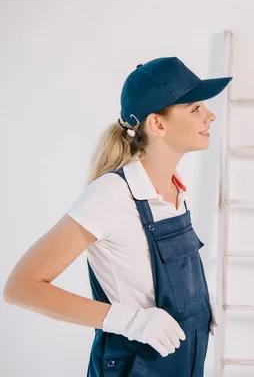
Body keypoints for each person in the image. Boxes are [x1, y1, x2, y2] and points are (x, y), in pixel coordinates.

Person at [4, 56, 232, 376]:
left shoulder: (174, 188)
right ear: (157, 124)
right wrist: (130, 321)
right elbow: (21, 287)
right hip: (134, 367)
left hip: (183, 361)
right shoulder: (110, 194)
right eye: (195, 108)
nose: (210, 116)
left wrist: (197, 301)